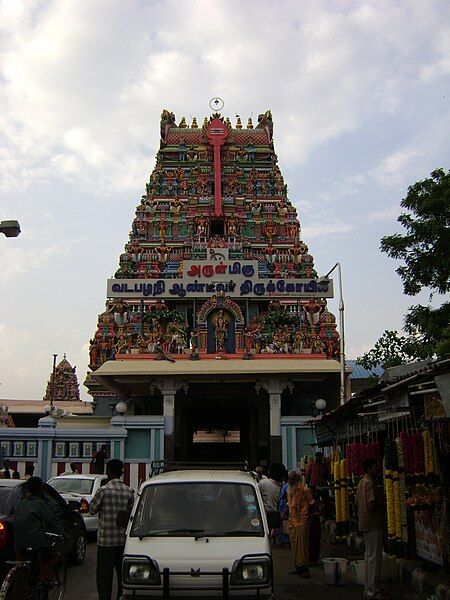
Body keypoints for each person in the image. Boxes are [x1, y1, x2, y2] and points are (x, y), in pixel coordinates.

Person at [90, 459, 134, 600]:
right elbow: (132, 514)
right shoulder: (129, 491)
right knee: (122, 576)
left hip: (106, 541)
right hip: (122, 540)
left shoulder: (103, 491)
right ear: (122, 473)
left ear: (108, 472)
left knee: (104, 577)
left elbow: (92, 510)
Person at [14, 477, 64, 583]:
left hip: (18, 542)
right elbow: (51, 521)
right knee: (52, 555)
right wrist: (63, 533)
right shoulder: (40, 503)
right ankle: (44, 578)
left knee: (21, 565)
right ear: (41, 489)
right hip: (36, 541)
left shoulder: (21, 503)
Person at [356, 458, 384, 600]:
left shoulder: (361, 482)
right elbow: (371, 504)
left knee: (368, 557)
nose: (377, 468)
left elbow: (357, 502)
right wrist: (382, 501)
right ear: (368, 469)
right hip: (373, 524)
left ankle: (368, 589)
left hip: (364, 524)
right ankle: (373, 592)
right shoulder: (370, 483)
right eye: (374, 467)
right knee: (373, 558)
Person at [287, 471, 314, 578]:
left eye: (292, 479)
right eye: (289, 479)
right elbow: (289, 506)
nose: (290, 481)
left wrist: (309, 518)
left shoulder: (304, 490)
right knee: (294, 546)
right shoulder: (289, 490)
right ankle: (298, 567)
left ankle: (304, 568)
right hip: (292, 522)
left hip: (302, 521)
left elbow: (312, 503)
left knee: (302, 546)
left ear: (296, 480)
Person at [308, 485, 324, 566]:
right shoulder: (308, 500)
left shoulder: (317, 501)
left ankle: (314, 559)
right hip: (311, 522)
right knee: (311, 541)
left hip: (314, 522)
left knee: (315, 541)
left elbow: (322, 511)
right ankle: (311, 559)